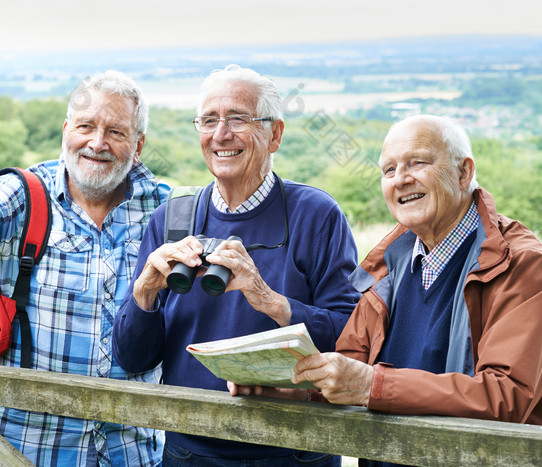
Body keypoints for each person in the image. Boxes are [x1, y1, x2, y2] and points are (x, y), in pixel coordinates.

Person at [231, 114, 542, 465]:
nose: (401, 180)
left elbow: (506, 397)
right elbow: (353, 369)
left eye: (417, 163)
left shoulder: (522, 265)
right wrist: (294, 392)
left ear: (463, 172)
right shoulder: (386, 266)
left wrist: (372, 386)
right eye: (389, 170)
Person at [0, 71, 170, 466]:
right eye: (86, 126)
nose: (97, 143)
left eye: (116, 132)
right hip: (30, 446)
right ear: (67, 130)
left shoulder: (166, 209)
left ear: (138, 146)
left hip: (131, 448)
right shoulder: (26, 192)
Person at [112, 64, 361, 466]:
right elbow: (132, 359)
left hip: (293, 453)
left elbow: (352, 339)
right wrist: (144, 293)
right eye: (208, 120)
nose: (220, 134)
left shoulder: (315, 215)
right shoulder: (172, 220)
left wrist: (268, 299)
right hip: (190, 451)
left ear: (275, 134)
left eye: (238, 119)